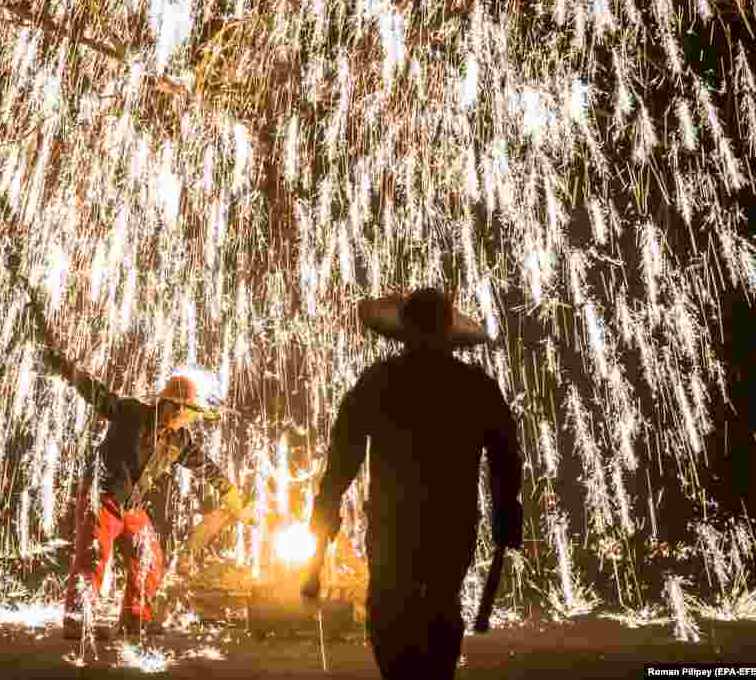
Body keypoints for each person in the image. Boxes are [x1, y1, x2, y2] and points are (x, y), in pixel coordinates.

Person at [301, 286, 524, 679]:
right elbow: (506, 459)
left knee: (390, 613)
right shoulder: (475, 386)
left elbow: (342, 460)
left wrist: (326, 509)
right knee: (439, 607)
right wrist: (507, 515)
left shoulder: (379, 382)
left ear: (405, 329)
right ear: (447, 330)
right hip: (451, 526)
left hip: (394, 525)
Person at [26, 293, 256, 640]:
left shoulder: (179, 442)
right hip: (102, 497)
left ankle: (135, 619)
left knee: (148, 555)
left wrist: (231, 493)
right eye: (182, 410)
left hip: (130, 506)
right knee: (93, 557)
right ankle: (77, 621)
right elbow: (95, 391)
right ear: (168, 404)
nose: (184, 417)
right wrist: (65, 368)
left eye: (188, 413)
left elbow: (206, 466)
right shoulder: (131, 413)